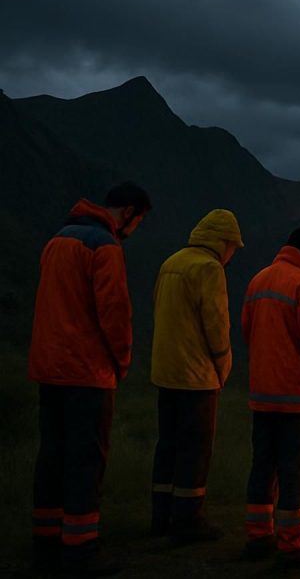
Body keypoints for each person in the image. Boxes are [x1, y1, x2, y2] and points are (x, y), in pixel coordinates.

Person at [29, 182, 151, 575]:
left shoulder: (57, 240)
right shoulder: (105, 248)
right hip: (87, 373)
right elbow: (114, 311)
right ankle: (80, 551)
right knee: (86, 460)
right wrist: (123, 362)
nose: (134, 231)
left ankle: (46, 542)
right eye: (139, 222)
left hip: (50, 369)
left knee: (52, 456)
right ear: (129, 213)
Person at [150, 209, 243, 543]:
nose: (232, 254)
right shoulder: (209, 268)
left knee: (168, 445)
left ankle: (161, 515)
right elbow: (216, 323)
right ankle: (188, 520)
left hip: (166, 372)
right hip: (196, 376)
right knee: (195, 447)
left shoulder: (171, 262)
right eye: (233, 247)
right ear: (223, 242)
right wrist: (223, 365)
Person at [242, 227, 300, 567]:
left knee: (263, 466)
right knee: (294, 471)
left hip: (262, 396)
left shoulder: (257, 281)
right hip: (296, 398)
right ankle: (293, 544)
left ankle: (258, 536)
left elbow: (247, 332)